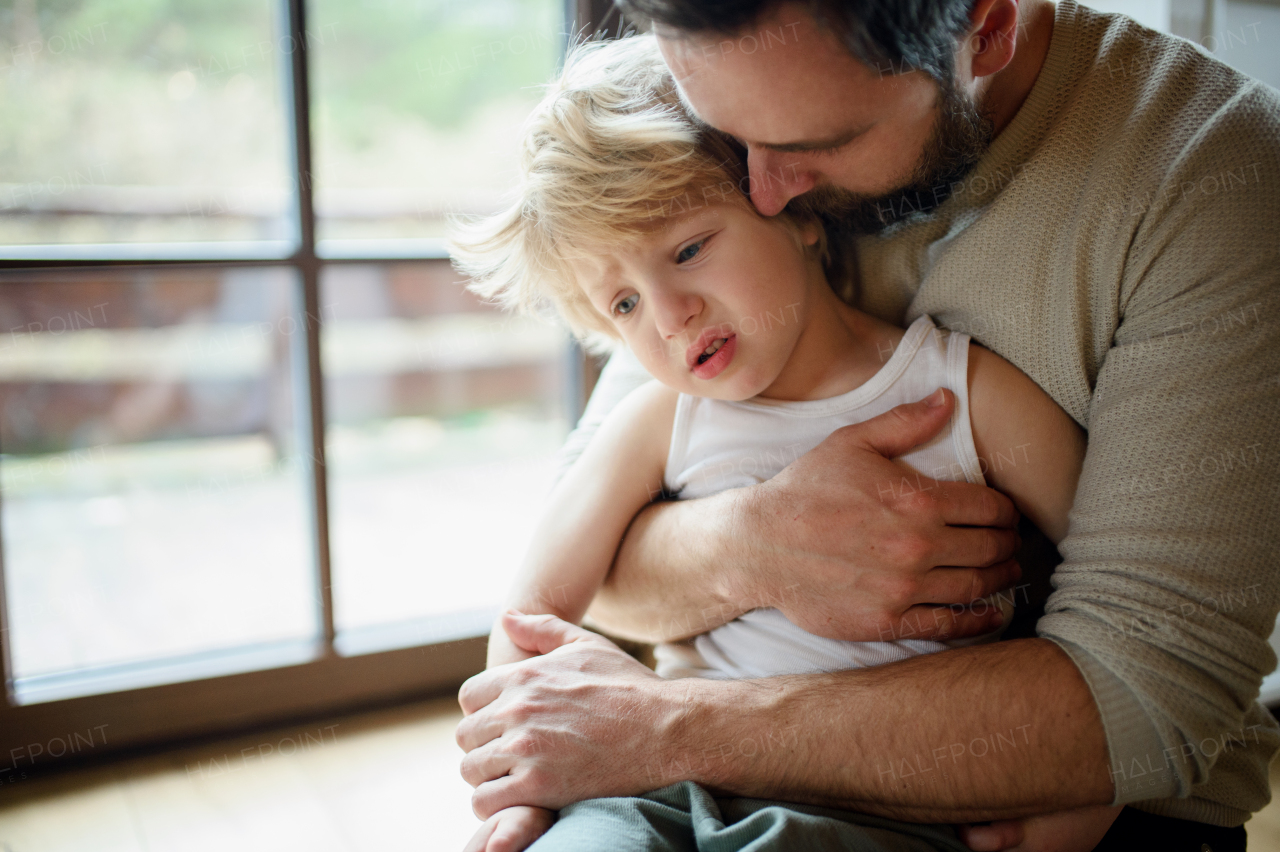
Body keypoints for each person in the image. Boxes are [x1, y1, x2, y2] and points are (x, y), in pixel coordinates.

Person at [455, 1, 1280, 850]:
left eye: (810, 149)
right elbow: (589, 589)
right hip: (671, 789)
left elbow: (1140, 693)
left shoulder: (1214, 177)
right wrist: (759, 546)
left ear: (986, 31)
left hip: (974, 797)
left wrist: (666, 724)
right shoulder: (722, 140)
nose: (758, 185)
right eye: (729, 135)